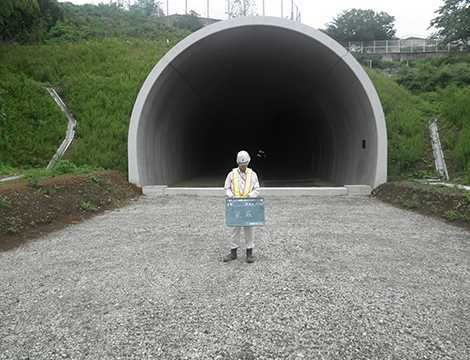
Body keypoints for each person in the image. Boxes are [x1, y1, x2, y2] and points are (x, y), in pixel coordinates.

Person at [223, 150, 260, 263]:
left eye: (244, 165)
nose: (243, 167)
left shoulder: (253, 175)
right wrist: (231, 196)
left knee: (249, 229)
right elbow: (227, 188)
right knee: (235, 229)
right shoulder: (232, 174)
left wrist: (251, 196)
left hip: (248, 205)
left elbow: (257, 189)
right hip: (236, 206)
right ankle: (233, 252)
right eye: (241, 165)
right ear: (238, 163)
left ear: (248, 163)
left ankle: (249, 253)